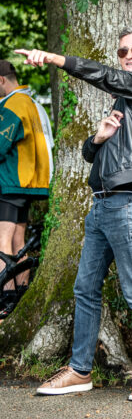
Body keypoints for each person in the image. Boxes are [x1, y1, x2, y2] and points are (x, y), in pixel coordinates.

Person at [19, 28, 132, 401]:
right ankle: (79, 370)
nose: (129, 55)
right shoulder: (122, 101)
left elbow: (105, 75)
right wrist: (98, 138)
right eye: (123, 51)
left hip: (129, 204)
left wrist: (57, 59)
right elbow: (92, 157)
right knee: (84, 289)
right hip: (101, 204)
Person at [0, 60, 53, 318]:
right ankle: (20, 294)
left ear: (1, 80)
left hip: (9, 182)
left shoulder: (13, 104)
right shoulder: (31, 102)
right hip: (27, 184)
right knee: (18, 241)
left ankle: (5, 298)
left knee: (1, 241)